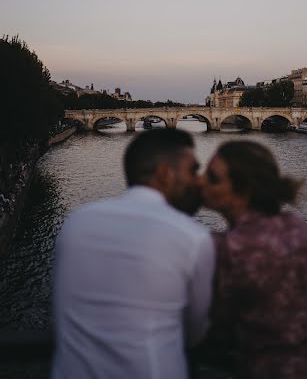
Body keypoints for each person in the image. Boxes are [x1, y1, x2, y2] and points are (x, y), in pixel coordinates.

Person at [52, 128, 215, 379]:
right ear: (164, 174)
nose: (199, 180)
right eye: (193, 170)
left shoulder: (75, 223)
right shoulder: (192, 237)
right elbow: (194, 332)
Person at [201, 140, 307, 379]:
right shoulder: (298, 227)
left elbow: (215, 324)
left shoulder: (227, 248)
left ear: (242, 190)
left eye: (212, 178)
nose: (201, 181)